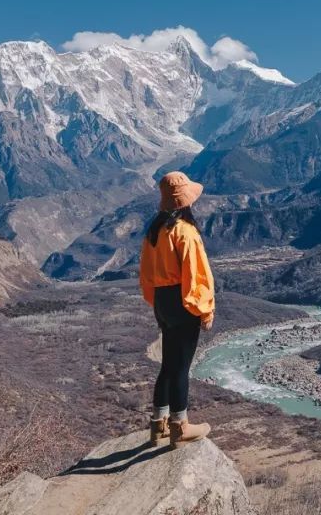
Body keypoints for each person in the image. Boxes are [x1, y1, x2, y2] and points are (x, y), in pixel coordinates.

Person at [139, 171, 215, 448]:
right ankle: (180, 427)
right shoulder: (185, 232)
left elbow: (146, 274)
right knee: (182, 367)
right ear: (186, 200)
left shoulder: (155, 231)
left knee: (168, 365)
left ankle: (158, 425)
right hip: (183, 302)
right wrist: (204, 310)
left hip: (162, 302)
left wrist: (157, 303)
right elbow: (198, 276)